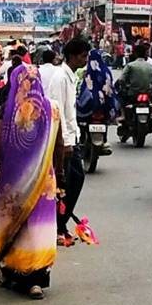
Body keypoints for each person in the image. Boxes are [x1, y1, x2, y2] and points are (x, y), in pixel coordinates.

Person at [0, 61, 62, 299]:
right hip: (44, 181)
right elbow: (60, 145)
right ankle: (36, 280)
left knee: (12, 223)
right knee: (39, 226)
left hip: (12, 181)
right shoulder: (52, 109)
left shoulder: (8, 111)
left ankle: (11, 272)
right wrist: (59, 175)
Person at [43, 39, 88, 245]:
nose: (85, 59)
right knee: (65, 185)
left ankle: (61, 223)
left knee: (73, 182)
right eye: (82, 56)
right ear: (72, 56)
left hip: (72, 136)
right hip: (65, 141)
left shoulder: (71, 77)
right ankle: (58, 226)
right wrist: (65, 143)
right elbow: (57, 111)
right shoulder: (60, 78)